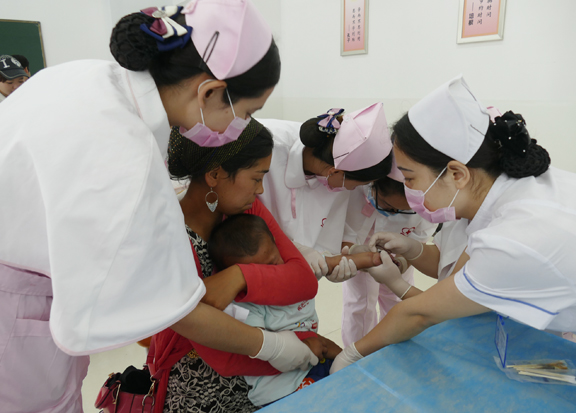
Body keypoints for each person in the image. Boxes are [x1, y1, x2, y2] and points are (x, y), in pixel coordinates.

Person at [0, 2, 316, 412]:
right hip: (18, 312)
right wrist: (271, 346)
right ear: (210, 91)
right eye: (247, 113)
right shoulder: (127, 155)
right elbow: (176, 314)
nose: (239, 127)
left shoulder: (86, 78)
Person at [330, 75, 576, 373]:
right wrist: (414, 250)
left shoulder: (515, 235)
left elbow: (422, 314)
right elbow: (454, 268)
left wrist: (352, 354)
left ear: (456, 174)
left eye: (410, 177)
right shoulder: (492, 195)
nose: (408, 189)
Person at [159, 120, 381, 411]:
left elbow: (303, 281)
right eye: (256, 178)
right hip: (208, 388)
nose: (261, 189)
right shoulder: (170, 239)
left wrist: (241, 276)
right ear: (215, 175)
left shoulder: (245, 210)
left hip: (280, 368)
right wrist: (281, 351)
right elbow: (217, 351)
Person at [208, 213, 343, 407]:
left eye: (273, 264)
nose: (269, 277)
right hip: (284, 390)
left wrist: (367, 258)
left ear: (278, 245)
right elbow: (259, 343)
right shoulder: (245, 306)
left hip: (316, 362)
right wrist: (308, 344)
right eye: (254, 274)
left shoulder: (293, 275)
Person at [257, 103, 393, 282]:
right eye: (354, 185)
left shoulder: (338, 165)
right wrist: (292, 249)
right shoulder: (267, 147)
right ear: (334, 172)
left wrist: (332, 259)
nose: (350, 189)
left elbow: (322, 245)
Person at [340, 176, 436, 346]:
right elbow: (342, 230)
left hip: (402, 251)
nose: (391, 212)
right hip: (360, 249)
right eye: (386, 204)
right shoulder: (354, 189)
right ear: (373, 183)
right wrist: (354, 253)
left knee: (397, 301)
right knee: (360, 303)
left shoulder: (425, 204)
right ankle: (358, 350)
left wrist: (402, 264)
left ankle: (395, 345)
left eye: (400, 210)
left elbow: (418, 242)